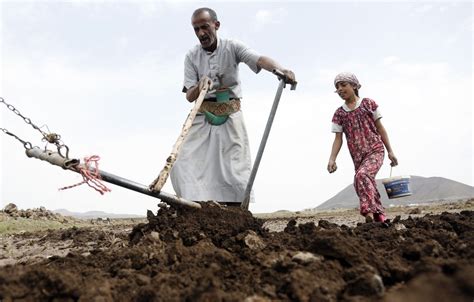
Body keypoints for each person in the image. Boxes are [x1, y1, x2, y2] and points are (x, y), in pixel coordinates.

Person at [170, 7, 296, 206]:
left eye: (205, 27)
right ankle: (193, 207)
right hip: (202, 115)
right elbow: (189, 95)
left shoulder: (232, 47)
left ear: (216, 25)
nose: (201, 33)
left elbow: (259, 59)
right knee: (182, 161)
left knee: (234, 165)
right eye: (196, 29)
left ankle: (236, 211)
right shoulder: (191, 56)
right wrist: (200, 85)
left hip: (230, 112)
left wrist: (281, 70)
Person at [327, 72, 397, 222]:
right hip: (358, 156)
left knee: (362, 176)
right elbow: (338, 139)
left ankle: (369, 213)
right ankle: (380, 216)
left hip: (375, 149)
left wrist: (390, 151)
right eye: (337, 87)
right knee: (362, 182)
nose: (340, 89)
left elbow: (380, 128)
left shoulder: (368, 104)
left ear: (354, 86)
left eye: (343, 85)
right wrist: (332, 159)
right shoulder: (339, 114)